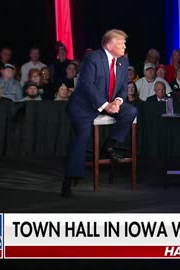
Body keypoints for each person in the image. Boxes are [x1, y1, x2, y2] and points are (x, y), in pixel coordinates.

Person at [62, 29, 137, 198]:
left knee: (130, 111)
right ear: (110, 45)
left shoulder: (123, 62)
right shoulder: (93, 58)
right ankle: (69, 180)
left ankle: (109, 145)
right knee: (83, 136)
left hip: (109, 103)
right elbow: (88, 85)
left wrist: (117, 102)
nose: (124, 46)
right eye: (121, 43)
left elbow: (123, 87)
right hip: (84, 105)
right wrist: (105, 106)